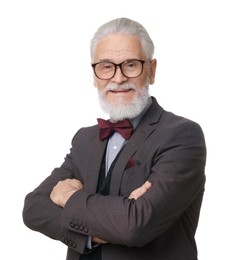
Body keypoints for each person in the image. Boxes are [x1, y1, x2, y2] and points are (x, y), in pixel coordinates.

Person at [23, 17, 206, 260]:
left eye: (130, 65)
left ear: (151, 71)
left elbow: (135, 226)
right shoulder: (84, 139)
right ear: (94, 75)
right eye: (106, 66)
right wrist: (93, 234)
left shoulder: (182, 135)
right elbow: (34, 208)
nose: (118, 78)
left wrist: (69, 198)